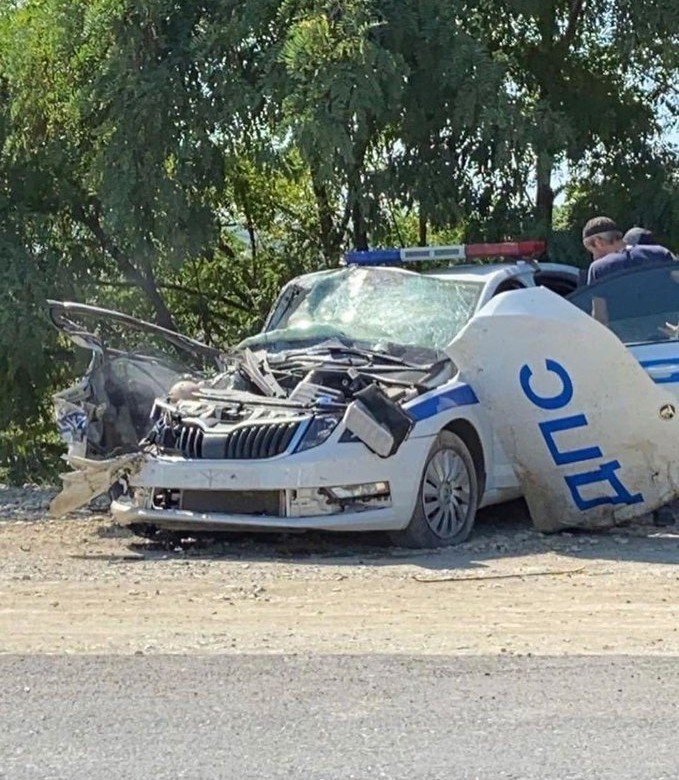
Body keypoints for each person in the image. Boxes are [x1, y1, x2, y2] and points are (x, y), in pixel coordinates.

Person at [582, 216, 674, 284]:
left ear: (599, 242)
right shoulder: (659, 252)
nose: (594, 257)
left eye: (592, 251)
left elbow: (600, 309)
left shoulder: (598, 269)